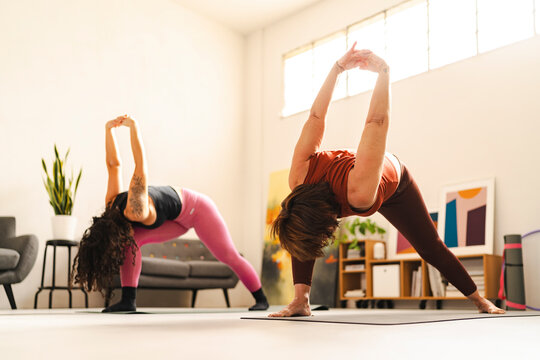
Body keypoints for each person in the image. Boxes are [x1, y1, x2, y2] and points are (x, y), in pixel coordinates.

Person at [269, 43, 504, 317]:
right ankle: (301, 301)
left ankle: (480, 300)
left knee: (430, 246)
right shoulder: (298, 177)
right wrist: (336, 69)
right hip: (352, 177)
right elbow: (316, 116)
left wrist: (383, 71)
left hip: (394, 183)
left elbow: (376, 122)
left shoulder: (359, 191)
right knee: (300, 230)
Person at [73, 115, 268, 312]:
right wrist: (109, 130)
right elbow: (113, 166)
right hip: (175, 220)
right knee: (131, 244)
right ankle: (128, 301)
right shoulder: (111, 204)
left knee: (228, 255)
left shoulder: (136, 209)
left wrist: (134, 128)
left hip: (197, 209)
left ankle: (261, 299)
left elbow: (140, 167)